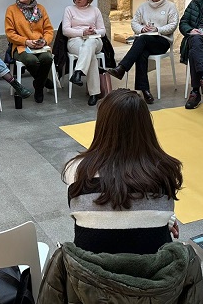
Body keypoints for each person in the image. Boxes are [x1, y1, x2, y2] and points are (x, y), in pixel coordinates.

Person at [63, 89, 183, 254]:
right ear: (145, 126)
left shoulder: (76, 170)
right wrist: (163, 220)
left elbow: (81, 213)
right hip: (153, 275)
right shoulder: (165, 170)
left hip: (90, 273)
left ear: (102, 125)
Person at [106, 0, 178, 104]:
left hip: (162, 41)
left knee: (142, 41)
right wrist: (142, 29)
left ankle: (122, 67)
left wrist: (158, 29)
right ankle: (145, 90)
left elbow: (173, 25)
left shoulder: (170, 6)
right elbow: (134, 23)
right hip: (145, 40)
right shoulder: (143, 6)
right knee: (141, 53)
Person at [5, 0, 55, 103]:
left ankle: (38, 84)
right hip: (21, 47)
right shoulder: (11, 10)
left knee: (47, 58)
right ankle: (41, 84)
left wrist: (44, 41)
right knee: (31, 61)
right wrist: (26, 41)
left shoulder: (41, 9)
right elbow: (9, 34)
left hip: (40, 46)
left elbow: (49, 30)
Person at [63, 0, 107, 106]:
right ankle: (94, 93)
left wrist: (94, 31)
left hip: (94, 39)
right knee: (90, 55)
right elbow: (65, 30)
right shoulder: (69, 10)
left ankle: (78, 72)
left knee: (91, 43)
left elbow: (103, 31)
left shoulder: (95, 10)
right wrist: (82, 32)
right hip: (75, 40)